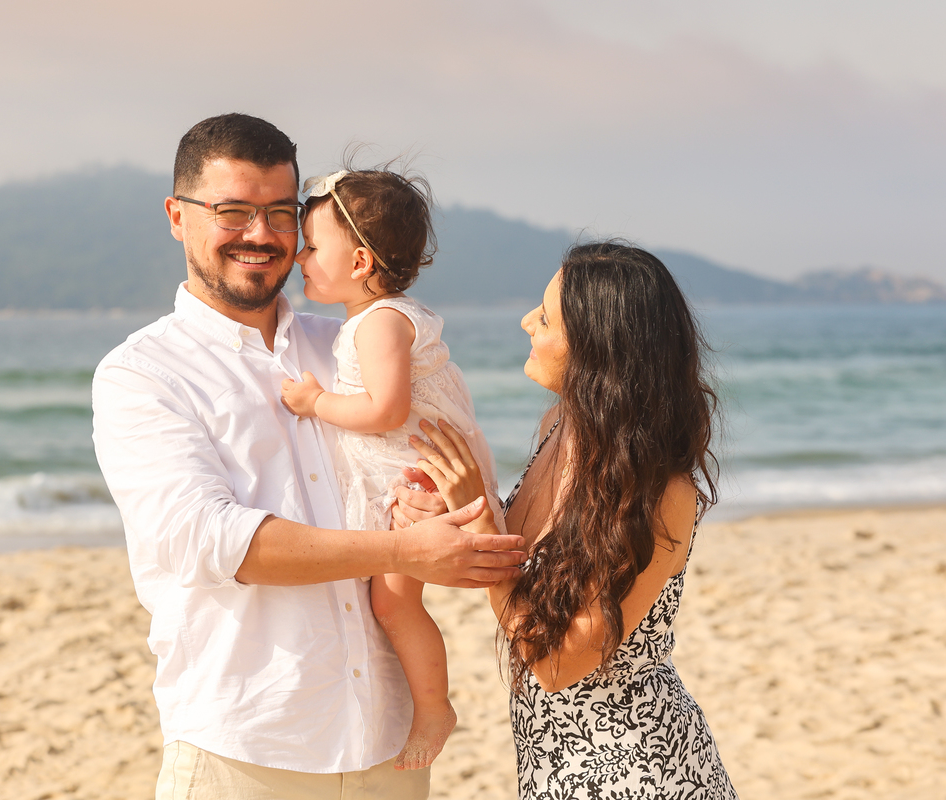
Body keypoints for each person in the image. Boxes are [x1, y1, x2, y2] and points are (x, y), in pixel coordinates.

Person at [91, 113, 525, 800]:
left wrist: (440, 495)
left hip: (388, 746)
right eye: (233, 212)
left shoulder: (357, 342)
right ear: (178, 216)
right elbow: (217, 543)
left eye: (280, 213)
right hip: (249, 748)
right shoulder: (142, 374)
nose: (262, 235)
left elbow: (446, 482)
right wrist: (402, 553)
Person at [396, 242, 738, 798]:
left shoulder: (660, 490)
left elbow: (557, 666)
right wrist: (453, 512)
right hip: (555, 763)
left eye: (547, 316)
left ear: (599, 349)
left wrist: (482, 519)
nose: (526, 320)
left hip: (634, 770)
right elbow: (529, 568)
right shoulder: (561, 425)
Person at [279, 167, 505, 771]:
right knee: (392, 602)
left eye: (312, 244)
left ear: (358, 262)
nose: (300, 255)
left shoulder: (380, 322)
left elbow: (387, 409)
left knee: (394, 605)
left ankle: (434, 707)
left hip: (413, 478)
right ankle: (431, 704)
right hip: (408, 472)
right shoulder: (373, 319)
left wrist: (315, 403)